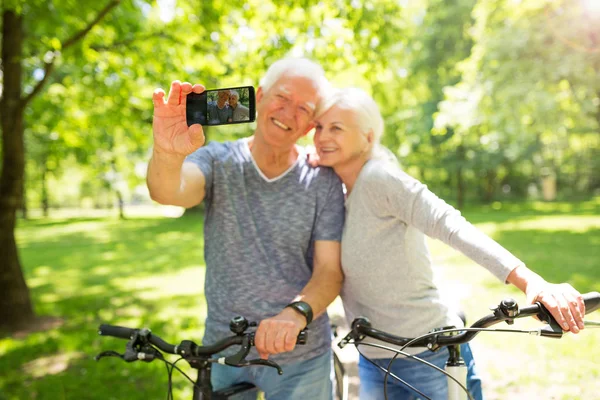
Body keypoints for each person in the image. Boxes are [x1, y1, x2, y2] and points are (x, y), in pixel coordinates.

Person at [312, 87, 586, 400]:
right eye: (318, 127)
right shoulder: (330, 188)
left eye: (336, 128)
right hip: (374, 356)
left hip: (429, 354)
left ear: (368, 137)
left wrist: (530, 282)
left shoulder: (379, 178)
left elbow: (450, 225)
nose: (322, 137)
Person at [147, 58, 345, 399]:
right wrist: (167, 152)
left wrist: (296, 314)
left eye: (303, 109)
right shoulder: (217, 160)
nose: (288, 113)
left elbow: (330, 271)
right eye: (281, 98)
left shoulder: (321, 180)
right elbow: (168, 191)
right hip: (224, 351)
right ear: (260, 95)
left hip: (302, 356)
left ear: (311, 124)